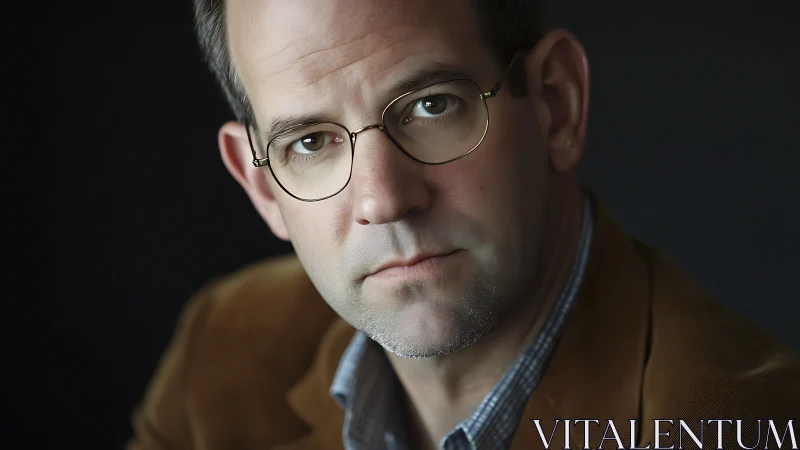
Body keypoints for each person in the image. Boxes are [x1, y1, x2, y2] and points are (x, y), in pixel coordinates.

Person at [127, 1, 800, 449]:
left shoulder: (743, 424)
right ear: (260, 185)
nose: (383, 198)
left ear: (555, 107)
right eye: (310, 142)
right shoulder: (224, 353)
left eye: (430, 104)